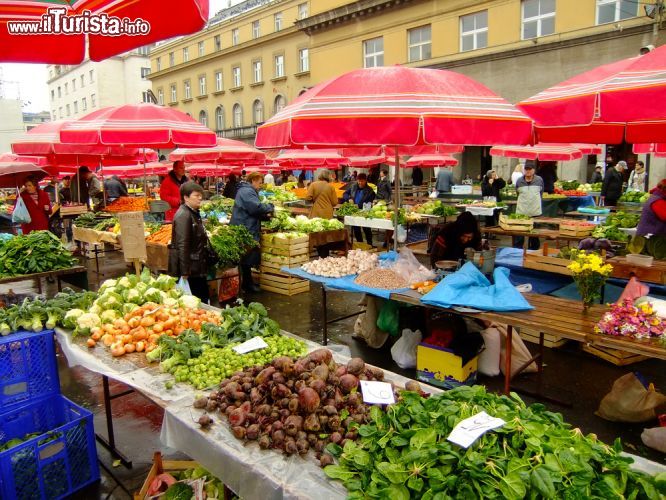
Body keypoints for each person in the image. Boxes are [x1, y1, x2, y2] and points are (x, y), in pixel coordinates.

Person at [231, 172, 275, 292]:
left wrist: (266, 217)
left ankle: (247, 282)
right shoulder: (247, 191)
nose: (260, 185)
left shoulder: (247, 190)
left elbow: (252, 211)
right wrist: (270, 207)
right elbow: (255, 207)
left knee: (247, 256)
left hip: (246, 224)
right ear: (253, 181)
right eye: (260, 183)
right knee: (247, 255)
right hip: (245, 226)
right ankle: (247, 284)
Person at [168, 182, 211, 304]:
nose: (200, 198)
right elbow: (182, 244)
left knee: (201, 297)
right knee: (196, 300)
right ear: (186, 197)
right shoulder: (183, 215)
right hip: (192, 268)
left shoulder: (193, 212)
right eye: (196, 195)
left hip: (197, 265)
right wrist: (185, 271)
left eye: (200, 195)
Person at [514, 161, 544, 250]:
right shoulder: (519, 181)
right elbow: (517, 193)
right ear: (524, 170)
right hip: (521, 213)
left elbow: (541, 193)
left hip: (535, 212)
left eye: (530, 169)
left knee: (534, 236)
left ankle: (533, 254)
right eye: (526, 169)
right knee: (519, 236)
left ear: (534, 170)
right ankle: (517, 253)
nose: (528, 171)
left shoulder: (539, 180)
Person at [343, 173, 376, 245]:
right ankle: (360, 244)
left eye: (362, 181)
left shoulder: (370, 191)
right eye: (359, 181)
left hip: (364, 212)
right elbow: (345, 193)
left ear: (365, 181)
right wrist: (348, 199)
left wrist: (359, 206)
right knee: (356, 229)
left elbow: (370, 202)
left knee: (366, 229)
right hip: (354, 212)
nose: (360, 183)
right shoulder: (353, 187)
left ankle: (369, 244)